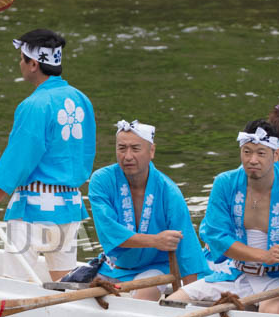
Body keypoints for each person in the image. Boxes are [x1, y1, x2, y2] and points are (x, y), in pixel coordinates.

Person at [166, 120, 279, 313]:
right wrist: (263, 256)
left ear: (275, 155)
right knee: (172, 302)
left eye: (260, 153)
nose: (252, 160)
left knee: (271, 314)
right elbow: (216, 236)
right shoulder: (224, 183)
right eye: (247, 151)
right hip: (235, 273)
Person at [0, 29, 96, 280]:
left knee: (15, 282)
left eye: (22, 58)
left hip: (33, 207)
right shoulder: (82, 100)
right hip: (71, 205)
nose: (19, 63)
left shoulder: (34, 105)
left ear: (33, 64)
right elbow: (86, 152)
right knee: (64, 283)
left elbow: (19, 158)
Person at [87, 119, 209, 300]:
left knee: (144, 296)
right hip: (113, 266)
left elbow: (187, 247)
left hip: (153, 268)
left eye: (135, 149)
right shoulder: (101, 181)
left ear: (151, 151)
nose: (128, 156)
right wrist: (156, 240)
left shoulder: (169, 191)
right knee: (83, 296)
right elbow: (109, 232)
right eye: (122, 148)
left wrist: (193, 297)